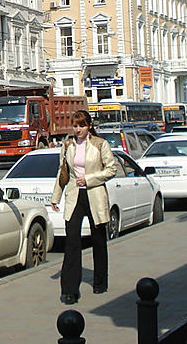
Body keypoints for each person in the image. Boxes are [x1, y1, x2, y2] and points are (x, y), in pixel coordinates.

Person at [50, 109, 117, 304]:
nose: (77, 129)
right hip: (74, 195)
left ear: (89, 126)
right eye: (75, 126)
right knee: (72, 241)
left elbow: (111, 169)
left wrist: (88, 179)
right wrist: (56, 197)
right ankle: (70, 290)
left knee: (98, 239)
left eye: (81, 126)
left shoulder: (99, 144)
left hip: (94, 194)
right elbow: (62, 171)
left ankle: (100, 282)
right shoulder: (68, 145)